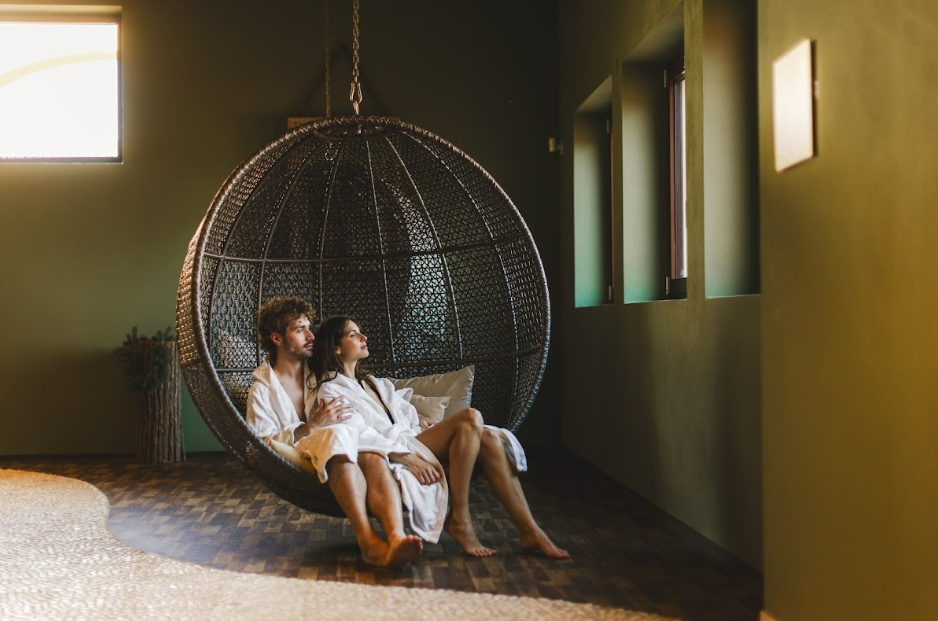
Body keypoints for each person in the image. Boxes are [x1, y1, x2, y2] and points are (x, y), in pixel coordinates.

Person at [311, 315, 569, 559]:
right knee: (470, 417)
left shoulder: (373, 383)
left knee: (490, 437)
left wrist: (419, 417)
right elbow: (355, 431)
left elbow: (400, 410)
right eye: (354, 334)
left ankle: (530, 530)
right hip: (397, 447)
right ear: (336, 348)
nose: (364, 337)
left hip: (413, 437)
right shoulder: (331, 390)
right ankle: (460, 518)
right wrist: (405, 456)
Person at [245, 297, 425, 567]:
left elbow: (368, 395)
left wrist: (415, 415)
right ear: (277, 339)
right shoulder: (262, 391)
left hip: (351, 443)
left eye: (309, 328)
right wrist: (310, 427)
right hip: (308, 450)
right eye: (300, 330)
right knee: (336, 435)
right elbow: (258, 443)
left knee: (371, 453)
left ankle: (396, 536)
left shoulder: (323, 372)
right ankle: (368, 541)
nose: (310, 336)